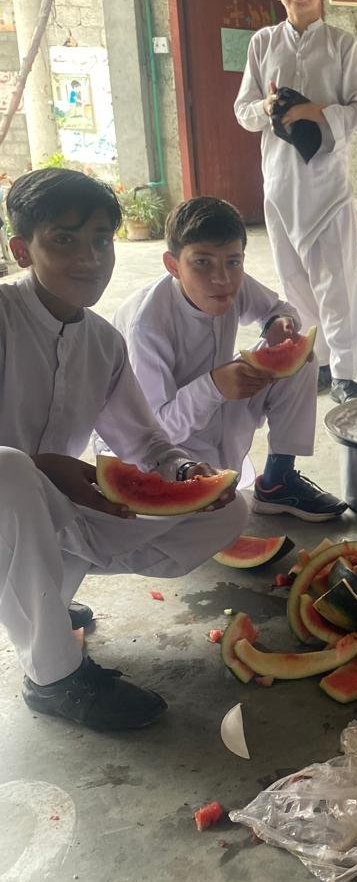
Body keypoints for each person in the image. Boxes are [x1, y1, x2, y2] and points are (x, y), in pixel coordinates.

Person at [0, 169, 247, 731]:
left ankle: (48, 598)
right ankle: (53, 678)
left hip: (51, 519)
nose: (89, 259)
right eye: (64, 240)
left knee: (231, 507)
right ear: (22, 250)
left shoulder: (102, 341)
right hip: (5, 506)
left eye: (100, 240)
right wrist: (42, 466)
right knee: (10, 471)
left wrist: (184, 469)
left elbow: (146, 443)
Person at [112, 196, 346, 522]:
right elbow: (157, 430)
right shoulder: (148, 325)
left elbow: (277, 308)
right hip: (166, 445)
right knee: (220, 518)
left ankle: (278, 481)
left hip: (219, 401)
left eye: (233, 262)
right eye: (202, 262)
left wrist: (280, 324)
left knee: (301, 361)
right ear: (173, 265)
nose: (222, 279)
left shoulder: (233, 282)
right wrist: (214, 386)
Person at [234, 0, 357, 404]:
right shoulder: (262, 43)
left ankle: (346, 373)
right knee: (294, 282)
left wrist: (318, 112)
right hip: (278, 184)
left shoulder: (342, 45)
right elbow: (242, 111)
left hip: (327, 186)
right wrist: (266, 106)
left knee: (337, 283)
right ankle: (317, 362)